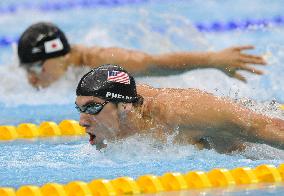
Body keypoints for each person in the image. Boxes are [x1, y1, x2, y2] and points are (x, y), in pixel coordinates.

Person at [75, 64, 284, 153]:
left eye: (92, 108)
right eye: (80, 109)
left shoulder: (186, 114)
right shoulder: (115, 121)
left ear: (125, 106)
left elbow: (266, 126)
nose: (82, 122)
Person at [18, 22, 266, 88]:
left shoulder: (102, 61)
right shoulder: (61, 66)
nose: (31, 80)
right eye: (27, 71)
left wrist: (213, 60)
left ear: (60, 56)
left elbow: (153, 63)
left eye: (36, 69)